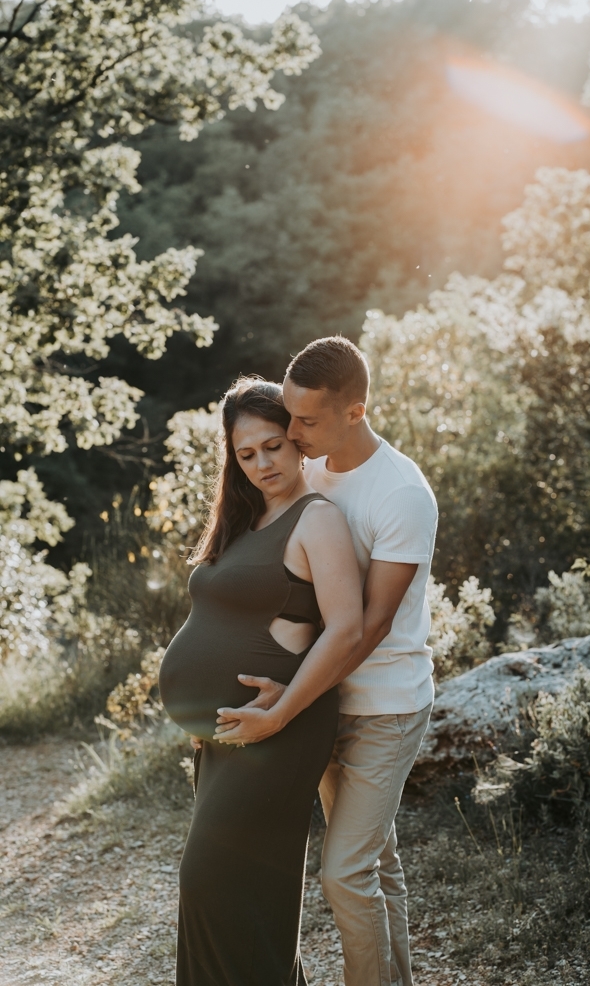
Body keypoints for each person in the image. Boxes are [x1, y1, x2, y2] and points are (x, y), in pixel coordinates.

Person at [214, 337, 438, 986]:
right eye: (289, 415)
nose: (292, 431)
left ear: (355, 410)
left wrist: (286, 707)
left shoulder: (401, 494)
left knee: (345, 873)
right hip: (325, 702)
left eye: (306, 421)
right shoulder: (307, 468)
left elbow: (363, 631)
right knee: (376, 863)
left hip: (385, 707)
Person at [159, 378, 363, 986]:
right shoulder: (245, 520)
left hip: (280, 730)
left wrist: (279, 712)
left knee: (214, 884)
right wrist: (201, 714)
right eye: (246, 455)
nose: (262, 464)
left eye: (273, 446)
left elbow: (346, 630)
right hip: (232, 735)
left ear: (297, 440)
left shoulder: (317, 519)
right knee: (244, 897)